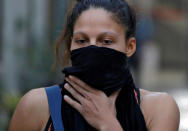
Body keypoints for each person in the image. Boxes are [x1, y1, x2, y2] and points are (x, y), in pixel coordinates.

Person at [9, 0, 180, 131]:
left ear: (130, 47)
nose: (92, 49)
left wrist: (108, 124)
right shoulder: (37, 106)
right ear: (70, 45)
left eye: (106, 41)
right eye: (81, 40)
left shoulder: (157, 108)